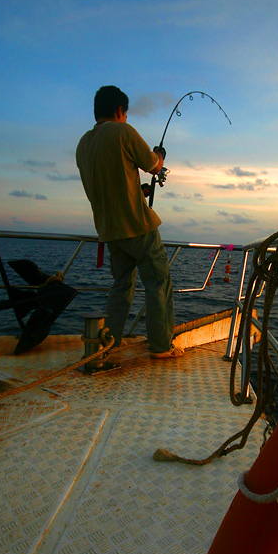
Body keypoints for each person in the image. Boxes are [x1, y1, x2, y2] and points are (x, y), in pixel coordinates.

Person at [76, 85, 183, 359]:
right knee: (158, 283)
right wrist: (160, 155)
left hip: (110, 232)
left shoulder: (83, 144)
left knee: (121, 285)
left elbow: (112, 182)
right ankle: (161, 346)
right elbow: (153, 165)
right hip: (137, 227)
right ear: (118, 110)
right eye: (125, 113)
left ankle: (111, 340)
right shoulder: (123, 131)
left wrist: (139, 191)